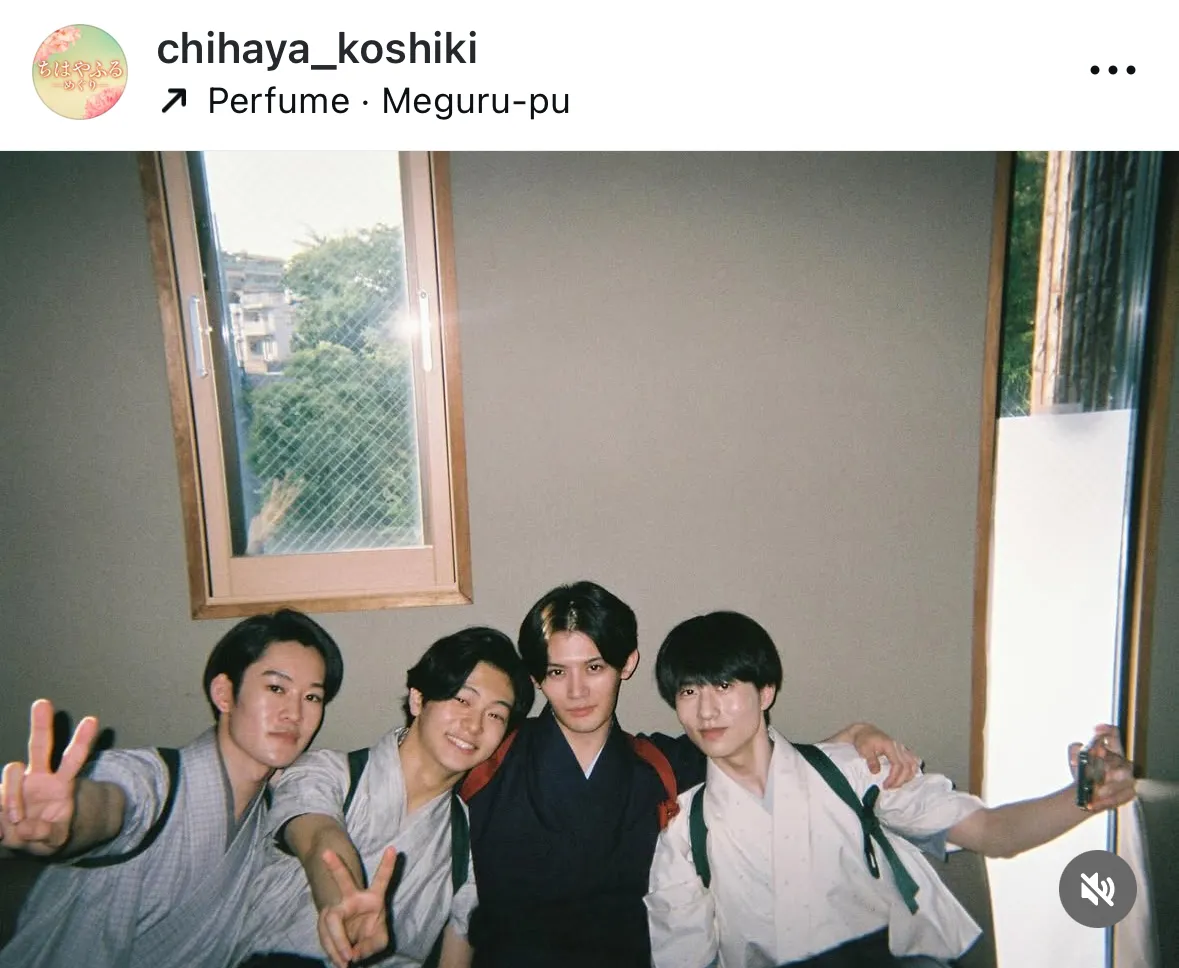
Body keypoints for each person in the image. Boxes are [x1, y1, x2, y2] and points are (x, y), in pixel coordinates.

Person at [455, 581, 922, 968]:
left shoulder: (661, 764)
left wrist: (854, 735)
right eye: (558, 672)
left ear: (627, 664)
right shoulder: (490, 760)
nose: (577, 691)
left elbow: (764, 757)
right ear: (536, 677)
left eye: (594, 667)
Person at [644, 610, 1138, 968]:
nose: (705, 710)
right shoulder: (685, 833)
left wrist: (1085, 796)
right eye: (689, 691)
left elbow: (992, 832)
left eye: (724, 686)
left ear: (765, 691)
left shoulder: (851, 771)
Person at [0, 608, 344, 968]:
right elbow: (114, 800)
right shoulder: (158, 783)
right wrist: (71, 818)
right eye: (276, 688)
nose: (294, 713)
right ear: (224, 694)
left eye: (312, 697)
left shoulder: (268, 814)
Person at [233, 625, 534, 968]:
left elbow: (456, 953)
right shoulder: (329, 773)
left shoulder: (470, 840)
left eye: (495, 714)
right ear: (418, 699)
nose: (474, 725)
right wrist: (345, 902)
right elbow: (318, 837)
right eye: (462, 700)